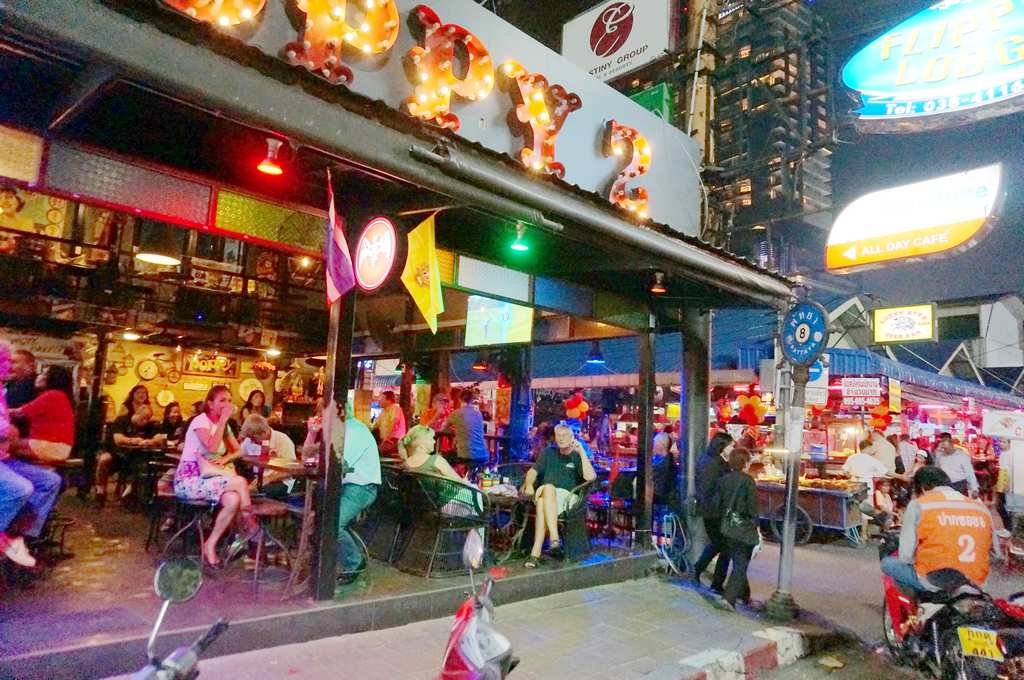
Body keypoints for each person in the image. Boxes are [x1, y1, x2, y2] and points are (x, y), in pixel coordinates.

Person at [881, 466, 998, 596]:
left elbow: (906, 556)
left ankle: (917, 604)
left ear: (923, 488)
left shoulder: (919, 505)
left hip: (934, 580)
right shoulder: (980, 508)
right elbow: (996, 554)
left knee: (888, 563)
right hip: (977, 582)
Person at [173, 385, 255, 568]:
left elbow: (239, 451)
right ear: (210, 404)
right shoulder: (200, 421)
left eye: (229, 400)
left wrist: (225, 458)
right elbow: (211, 446)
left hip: (211, 478)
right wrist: (223, 420)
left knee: (233, 499)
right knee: (241, 482)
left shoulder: (223, 425)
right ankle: (251, 529)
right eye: (222, 400)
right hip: (189, 479)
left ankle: (210, 544)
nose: (227, 404)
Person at [0, 342, 60, 568]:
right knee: (20, 488)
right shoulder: (19, 388)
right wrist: (7, 429)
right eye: (7, 361)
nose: (9, 366)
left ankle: (17, 534)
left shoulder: (6, 390)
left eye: (11, 361)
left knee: (50, 481)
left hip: (6, 457)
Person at [522, 424, 597, 568]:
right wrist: (529, 485)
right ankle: (554, 538)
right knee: (548, 488)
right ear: (555, 438)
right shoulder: (548, 452)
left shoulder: (577, 456)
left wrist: (582, 452)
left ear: (572, 438)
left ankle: (535, 554)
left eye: (565, 436)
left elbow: (591, 477)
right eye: (559, 436)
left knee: (542, 503)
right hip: (546, 490)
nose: (561, 439)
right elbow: (532, 472)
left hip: (567, 498)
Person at [326, 402, 381, 584]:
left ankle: (354, 562)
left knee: (333, 523)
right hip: (345, 486)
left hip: (361, 488)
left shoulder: (355, 430)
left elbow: (341, 464)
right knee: (319, 516)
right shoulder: (341, 430)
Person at [710, 446, 759, 611]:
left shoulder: (723, 480)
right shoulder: (748, 481)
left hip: (727, 527)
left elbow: (717, 504)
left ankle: (744, 595)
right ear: (745, 463)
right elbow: (753, 508)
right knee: (741, 564)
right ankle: (729, 599)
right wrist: (756, 527)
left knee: (738, 561)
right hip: (743, 528)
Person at [691, 431, 735, 591]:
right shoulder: (719, 464)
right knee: (725, 546)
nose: (733, 449)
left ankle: (698, 570)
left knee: (718, 544)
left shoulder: (704, 459)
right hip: (716, 511)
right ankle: (716, 582)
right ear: (723, 446)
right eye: (731, 446)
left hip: (707, 509)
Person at [9, 365, 76, 465]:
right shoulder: (61, 396)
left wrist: (3, 410)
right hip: (59, 448)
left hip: (50, 446)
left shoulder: (52, 395)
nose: (38, 376)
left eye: (43, 374)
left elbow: (19, 413)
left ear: (52, 379)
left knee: (5, 444)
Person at [843, 439, 891, 530]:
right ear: (867, 448)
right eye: (871, 448)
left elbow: (845, 471)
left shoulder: (852, 457)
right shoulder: (872, 460)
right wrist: (875, 477)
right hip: (866, 486)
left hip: (853, 486)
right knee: (865, 511)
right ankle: (864, 533)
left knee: (853, 509)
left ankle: (854, 530)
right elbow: (884, 471)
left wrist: (852, 476)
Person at [399, 425, 465, 482]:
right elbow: (460, 482)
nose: (434, 442)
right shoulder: (436, 460)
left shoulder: (404, 464)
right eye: (431, 439)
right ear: (422, 442)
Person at [933, 432, 979, 497]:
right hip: (944, 485)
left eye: (946, 448)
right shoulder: (939, 455)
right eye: (943, 448)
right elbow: (936, 470)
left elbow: (969, 473)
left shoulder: (962, 456)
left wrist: (974, 489)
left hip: (959, 486)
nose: (944, 450)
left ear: (952, 445)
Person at [370, 391, 406, 459]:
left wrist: (387, 439)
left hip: (394, 441)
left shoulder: (395, 408)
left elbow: (394, 425)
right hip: (386, 441)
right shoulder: (383, 411)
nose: (379, 401)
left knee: (375, 453)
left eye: (382, 399)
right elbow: (374, 425)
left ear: (388, 400)